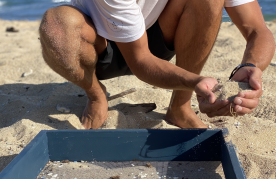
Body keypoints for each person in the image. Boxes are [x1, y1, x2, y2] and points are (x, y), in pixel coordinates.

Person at [39, 0, 275, 129]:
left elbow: (257, 29)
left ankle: (179, 107)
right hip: (98, 47)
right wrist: (196, 82)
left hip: (157, 39)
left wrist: (251, 66)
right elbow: (140, 61)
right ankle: (95, 94)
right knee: (57, 26)